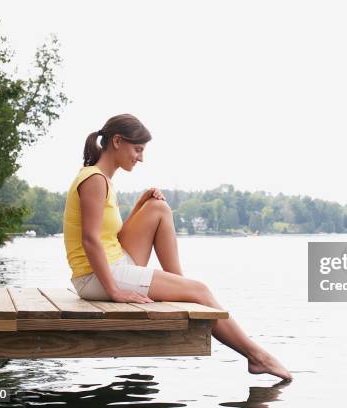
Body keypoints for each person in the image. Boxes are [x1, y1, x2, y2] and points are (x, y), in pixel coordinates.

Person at [63, 113, 292, 381]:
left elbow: (108, 235)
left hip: (112, 265)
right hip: (96, 277)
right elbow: (90, 240)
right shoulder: (94, 180)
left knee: (158, 208)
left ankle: (181, 288)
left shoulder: (100, 178)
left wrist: (141, 205)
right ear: (117, 141)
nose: (141, 157)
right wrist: (115, 292)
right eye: (137, 149)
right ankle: (257, 357)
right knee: (201, 290)